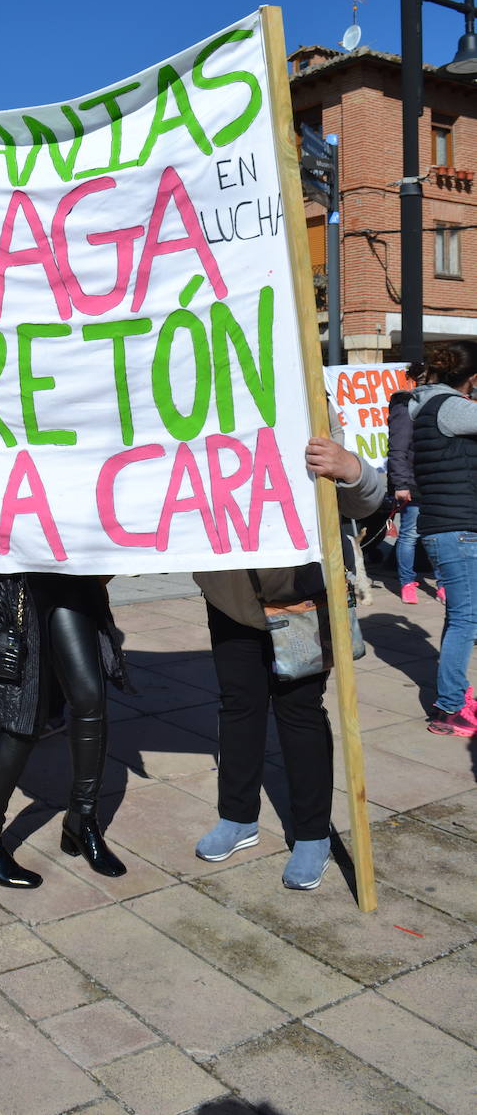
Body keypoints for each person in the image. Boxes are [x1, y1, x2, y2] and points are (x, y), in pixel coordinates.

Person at [192, 435, 384, 891]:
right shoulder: (204, 404)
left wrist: (350, 468)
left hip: (302, 597)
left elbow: (367, 500)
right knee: (238, 707)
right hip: (229, 595)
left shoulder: (311, 401)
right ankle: (238, 817)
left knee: (299, 714)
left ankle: (313, 834)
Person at [0, 573, 126, 888]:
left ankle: (81, 821)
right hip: (14, 586)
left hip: (70, 577)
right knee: (25, 717)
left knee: (90, 700)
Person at [409, 341, 477, 737]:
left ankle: (455, 695)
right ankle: (450, 709)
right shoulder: (452, 409)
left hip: (448, 527)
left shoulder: (430, 405)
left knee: (461, 617)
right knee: (466, 620)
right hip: (458, 529)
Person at [387, 362, 444, 604]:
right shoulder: (404, 405)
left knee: (439, 535)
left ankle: (443, 583)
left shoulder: (439, 404)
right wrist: (401, 484)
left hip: (435, 482)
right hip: (413, 482)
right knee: (410, 534)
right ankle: (407, 582)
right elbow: (398, 448)